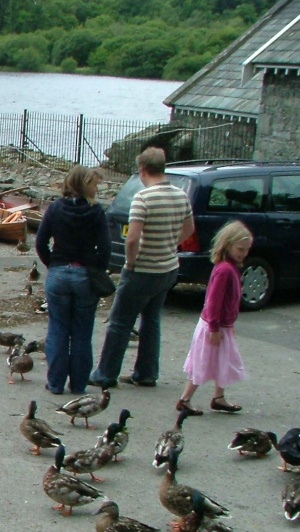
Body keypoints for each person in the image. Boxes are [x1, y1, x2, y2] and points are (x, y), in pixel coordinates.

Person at [90, 147, 194, 389]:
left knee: (120, 321)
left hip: (143, 268)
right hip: (168, 268)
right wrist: (170, 243)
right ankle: (146, 373)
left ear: (142, 170)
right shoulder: (181, 195)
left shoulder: (143, 198)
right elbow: (189, 229)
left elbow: (133, 238)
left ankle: (106, 373)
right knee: (152, 319)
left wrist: (130, 261)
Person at [35, 165, 111, 394]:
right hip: (85, 274)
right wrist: (96, 268)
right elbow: (105, 248)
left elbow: (40, 243)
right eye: (95, 184)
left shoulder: (55, 209)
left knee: (57, 329)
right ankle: (78, 384)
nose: (97, 188)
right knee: (81, 332)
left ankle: (56, 383)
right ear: (86, 185)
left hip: (58, 273)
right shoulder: (96, 212)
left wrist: (53, 264)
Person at [176, 221, 252, 415]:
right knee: (204, 361)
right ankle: (185, 399)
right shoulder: (225, 270)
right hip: (214, 325)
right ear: (227, 245)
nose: (243, 253)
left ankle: (219, 397)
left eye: (246, 250)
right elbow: (213, 302)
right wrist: (214, 327)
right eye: (240, 249)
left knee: (221, 360)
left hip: (221, 324)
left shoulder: (229, 267)